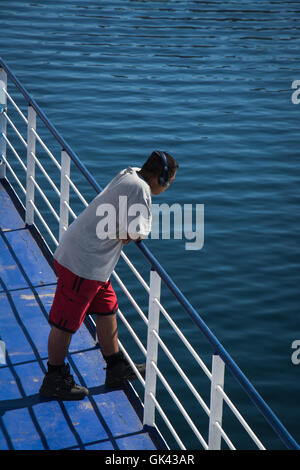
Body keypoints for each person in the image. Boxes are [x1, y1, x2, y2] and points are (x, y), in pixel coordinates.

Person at [39, 150, 178, 400]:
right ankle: (54, 378)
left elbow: (125, 225)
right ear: (163, 179)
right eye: (170, 182)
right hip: (83, 265)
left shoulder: (131, 173)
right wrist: (130, 231)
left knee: (107, 309)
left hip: (92, 263)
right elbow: (136, 233)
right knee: (65, 323)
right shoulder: (141, 190)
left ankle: (115, 366)